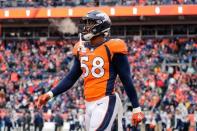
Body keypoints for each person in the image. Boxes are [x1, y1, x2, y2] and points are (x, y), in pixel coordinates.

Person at [37, 10, 144, 130]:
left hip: (106, 100)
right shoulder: (80, 48)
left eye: (90, 23)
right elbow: (71, 77)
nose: (86, 27)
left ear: (100, 26)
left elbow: (126, 79)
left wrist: (136, 108)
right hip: (88, 103)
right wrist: (50, 94)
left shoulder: (113, 47)